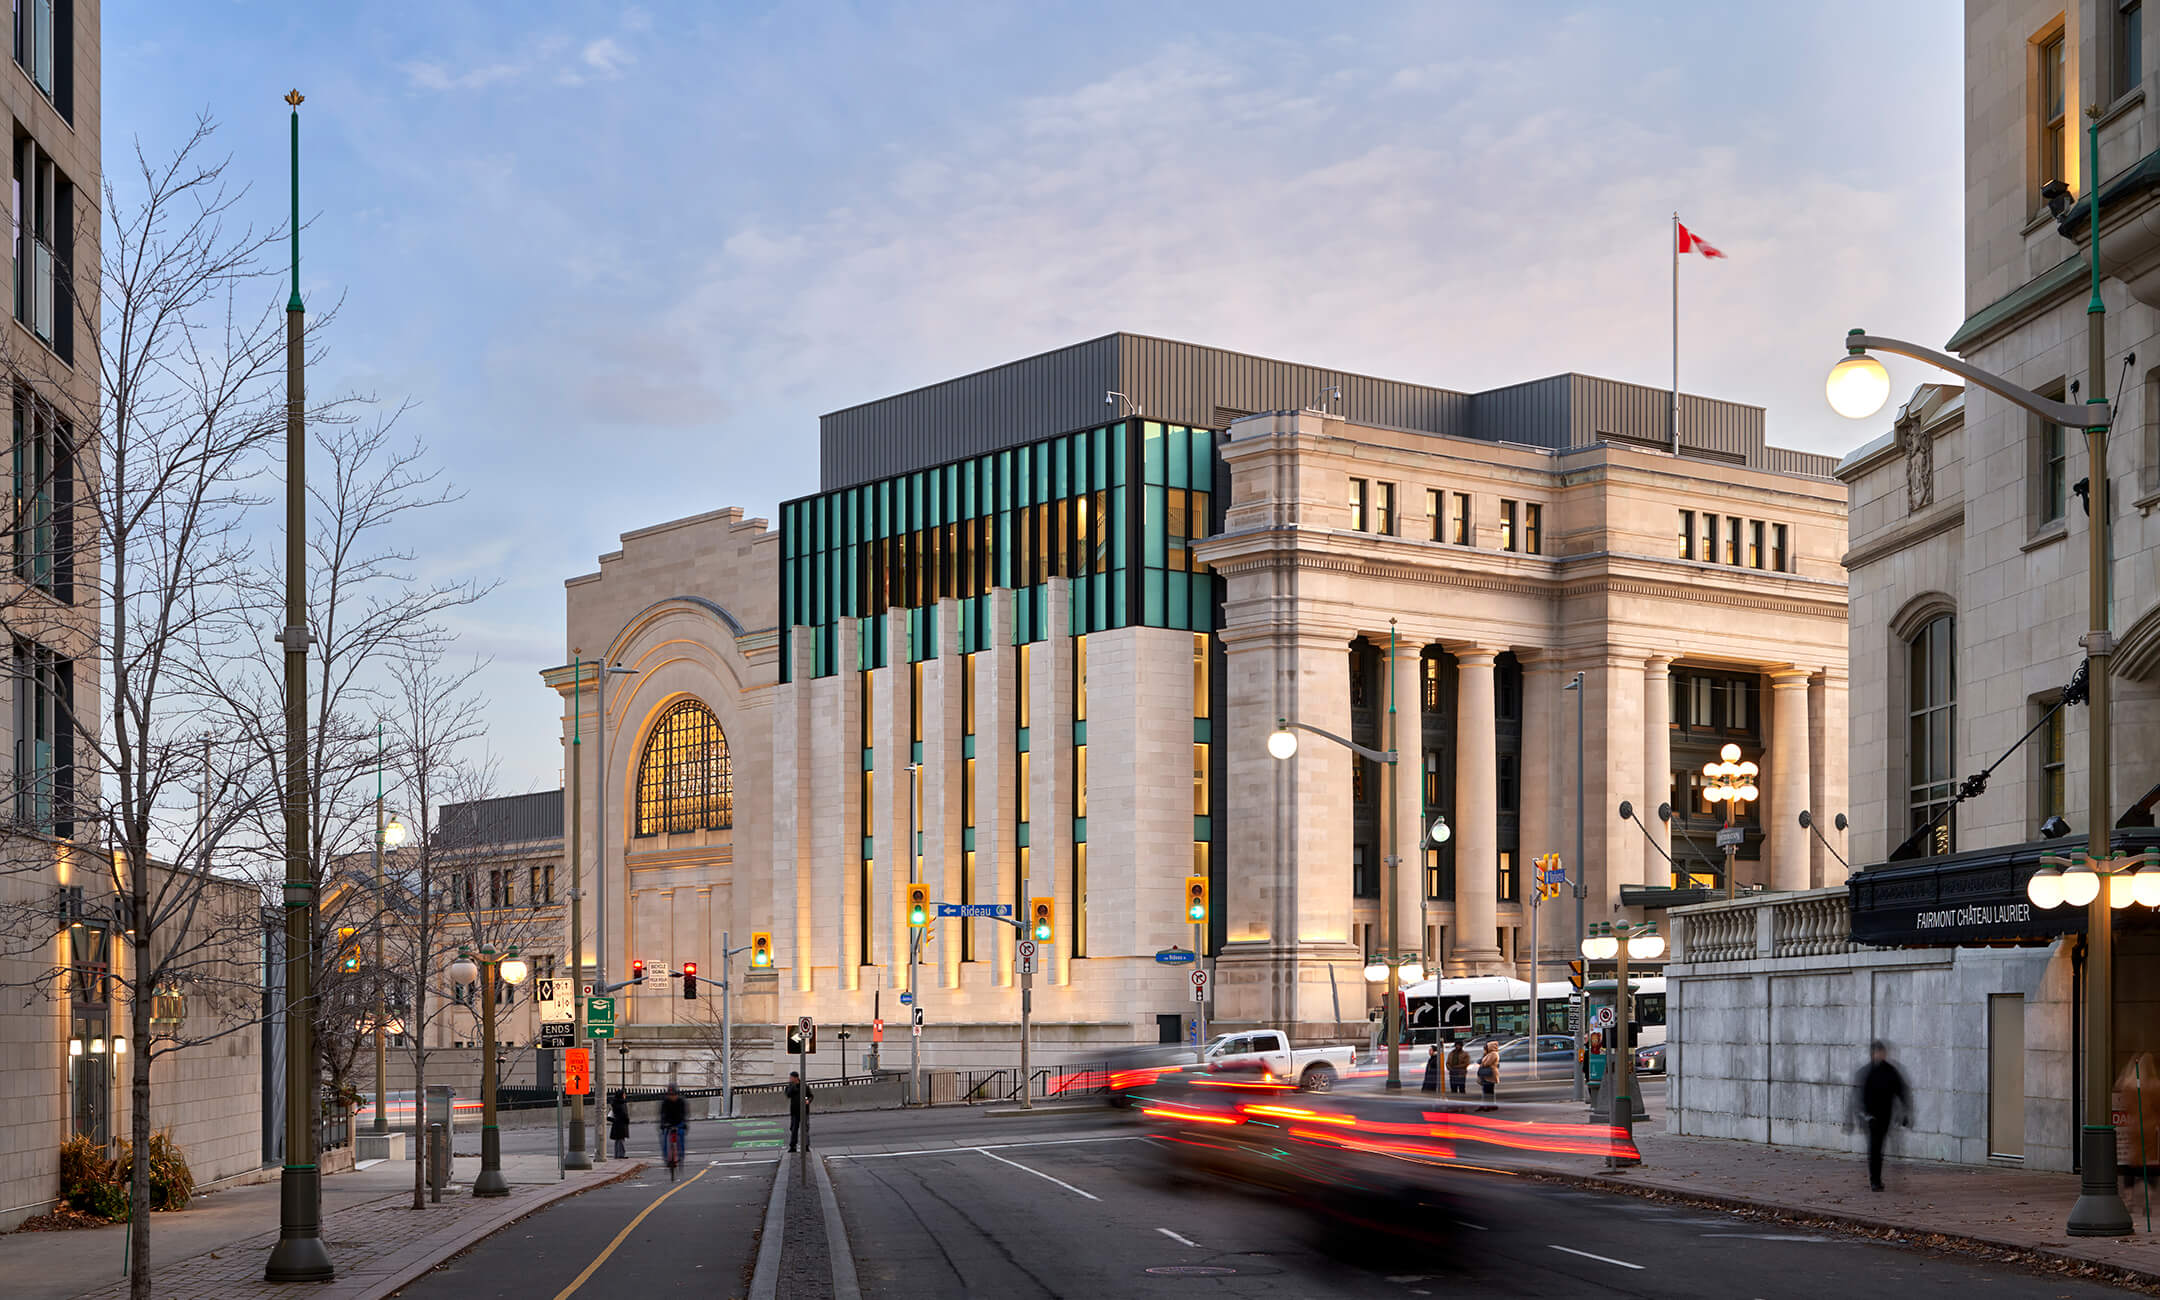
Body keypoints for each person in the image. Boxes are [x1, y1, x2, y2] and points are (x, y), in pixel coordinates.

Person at [1854, 1040, 1911, 1191]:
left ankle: (1877, 1180)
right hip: (1871, 1117)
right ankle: (1875, 1181)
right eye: (1878, 1052)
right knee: (1875, 1149)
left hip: (1885, 1115)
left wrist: (1905, 1112)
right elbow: (1860, 1097)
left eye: (1882, 1052)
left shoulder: (1890, 1071)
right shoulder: (1867, 1072)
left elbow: (1901, 1091)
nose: (1880, 1055)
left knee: (1879, 1148)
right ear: (1873, 1054)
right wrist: (1862, 1115)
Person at [658, 1083, 688, 1175]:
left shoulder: (681, 1101)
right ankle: (667, 1159)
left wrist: (683, 1124)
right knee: (664, 1139)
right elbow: (662, 1115)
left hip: (678, 1122)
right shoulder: (665, 1102)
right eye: (670, 1095)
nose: (672, 1097)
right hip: (668, 1123)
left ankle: (681, 1156)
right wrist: (663, 1124)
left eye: (674, 1094)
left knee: (681, 1136)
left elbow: (684, 1115)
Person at [785, 1070, 812, 1152]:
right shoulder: (790, 1086)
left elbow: (810, 1096)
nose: (790, 1079)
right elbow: (788, 1095)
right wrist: (792, 1086)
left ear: (796, 1078)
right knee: (793, 1129)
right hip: (794, 1111)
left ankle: (806, 1145)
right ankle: (793, 1146)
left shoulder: (804, 1086)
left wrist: (807, 1101)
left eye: (791, 1077)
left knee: (805, 1129)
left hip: (804, 1111)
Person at [608, 1088, 630, 1161]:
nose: (625, 1095)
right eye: (624, 1094)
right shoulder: (622, 1103)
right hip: (621, 1124)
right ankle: (621, 1155)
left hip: (616, 1124)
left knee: (618, 1140)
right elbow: (624, 1114)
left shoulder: (615, 1103)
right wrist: (627, 1120)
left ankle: (617, 1154)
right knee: (621, 1140)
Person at [1477, 1041, 1500, 1110]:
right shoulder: (1488, 1054)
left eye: (1487, 1047)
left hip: (1490, 1075)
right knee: (1487, 1091)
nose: (1486, 1049)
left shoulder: (1493, 1054)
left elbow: (1486, 1063)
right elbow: (1479, 1061)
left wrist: (1482, 1064)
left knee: (1488, 1091)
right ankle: (1489, 1105)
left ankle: (1488, 1106)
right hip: (1486, 1075)